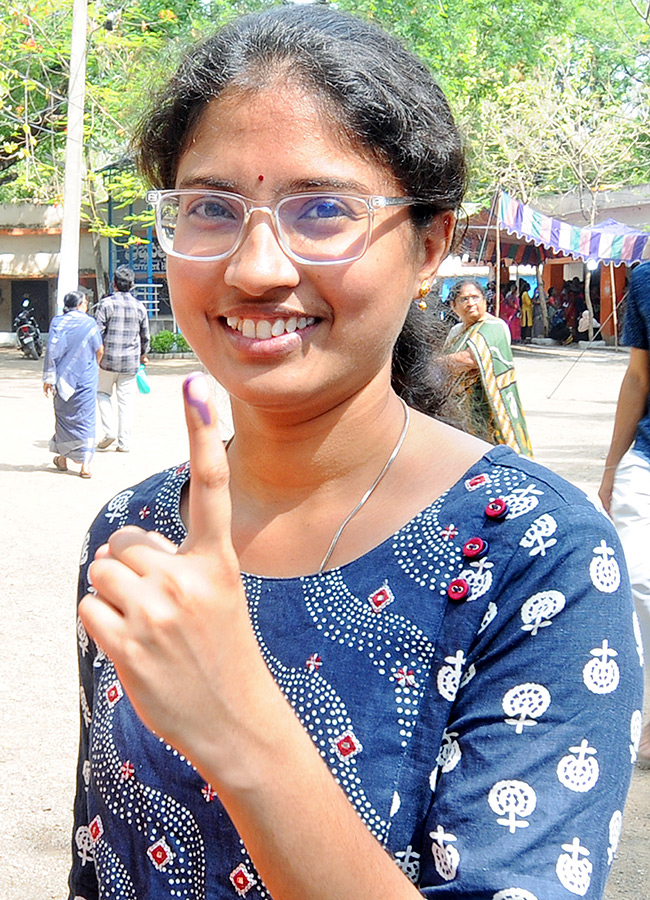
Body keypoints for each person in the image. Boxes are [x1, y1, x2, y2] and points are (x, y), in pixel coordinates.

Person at [69, 8, 641, 900]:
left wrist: (242, 730)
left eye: (325, 209)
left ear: (431, 245)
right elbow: (102, 861)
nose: (257, 268)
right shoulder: (137, 536)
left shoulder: (537, 555)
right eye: (212, 208)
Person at [599, 260, 650, 767]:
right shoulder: (645, 278)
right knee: (636, 580)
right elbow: (638, 375)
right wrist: (613, 465)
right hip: (647, 458)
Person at [443, 278, 533, 456]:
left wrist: (435, 363)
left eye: (475, 297)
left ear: (484, 301)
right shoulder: (456, 331)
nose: (471, 303)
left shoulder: (494, 327)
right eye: (464, 299)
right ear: (453, 306)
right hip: (461, 412)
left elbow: (470, 359)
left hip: (488, 409)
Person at [42, 290, 103, 478]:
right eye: (85, 302)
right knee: (86, 419)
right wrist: (94, 366)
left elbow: (51, 352)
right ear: (79, 305)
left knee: (64, 419)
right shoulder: (89, 323)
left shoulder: (57, 323)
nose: (86, 305)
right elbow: (99, 349)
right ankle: (85, 465)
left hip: (61, 379)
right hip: (85, 379)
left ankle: (63, 458)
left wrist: (48, 379)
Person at [95, 265, 150, 452]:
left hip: (107, 362)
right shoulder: (140, 307)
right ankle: (124, 442)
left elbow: (97, 334)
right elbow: (145, 337)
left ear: (114, 284)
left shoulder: (105, 305)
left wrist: (95, 356)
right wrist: (143, 355)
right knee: (126, 402)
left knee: (102, 394)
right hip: (130, 363)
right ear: (132, 285)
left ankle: (109, 431)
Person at [519, 279, 533, 343]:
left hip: (525, 309)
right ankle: (524, 338)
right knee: (526, 325)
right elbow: (528, 302)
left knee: (525, 324)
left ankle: (524, 338)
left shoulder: (523, 293)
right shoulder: (525, 294)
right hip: (526, 311)